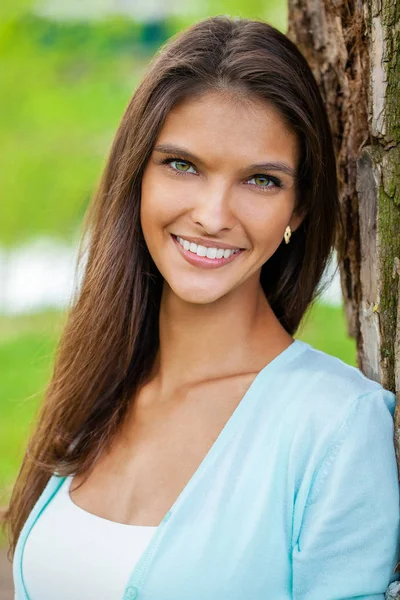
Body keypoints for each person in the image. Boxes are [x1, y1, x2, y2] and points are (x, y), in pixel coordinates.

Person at [4, 15, 400, 600]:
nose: (214, 215)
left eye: (261, 180)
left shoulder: (337, 428)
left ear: (297, 210)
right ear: (136, 175)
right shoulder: (98, 387)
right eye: (183, 165)